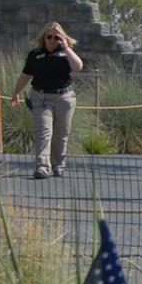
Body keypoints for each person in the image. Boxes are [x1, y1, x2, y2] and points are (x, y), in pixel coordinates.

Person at [9, 21, 83, 179]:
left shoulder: (66, 53)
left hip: (64, 98)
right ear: (43, 37)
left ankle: (58, 165)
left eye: (57, 37)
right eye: (49, 36)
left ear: (62, 38)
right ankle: (42, 167)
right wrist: (16, 93)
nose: (52, 40)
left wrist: (66, 47)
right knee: (43, 132)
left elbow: (78, 67)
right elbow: (26, 75)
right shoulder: (35, 54)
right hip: (40, 97)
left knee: (61, 134)